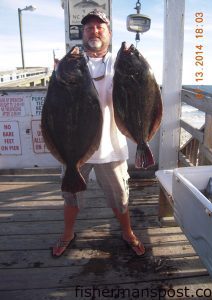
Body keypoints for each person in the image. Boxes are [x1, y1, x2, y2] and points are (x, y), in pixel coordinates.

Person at [52, 9, 145, 257]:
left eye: (99, 27)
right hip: (74, 149)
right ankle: (67, 234)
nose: (94, 30)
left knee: (121, 197)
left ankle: (127, 232)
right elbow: (55, 105)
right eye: (88, 27)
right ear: (82, 33)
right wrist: (56, 74)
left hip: (111, 147)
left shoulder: (120, 63)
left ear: (108, 33)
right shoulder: (70, 63)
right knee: (70, 197)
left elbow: (138, 93)